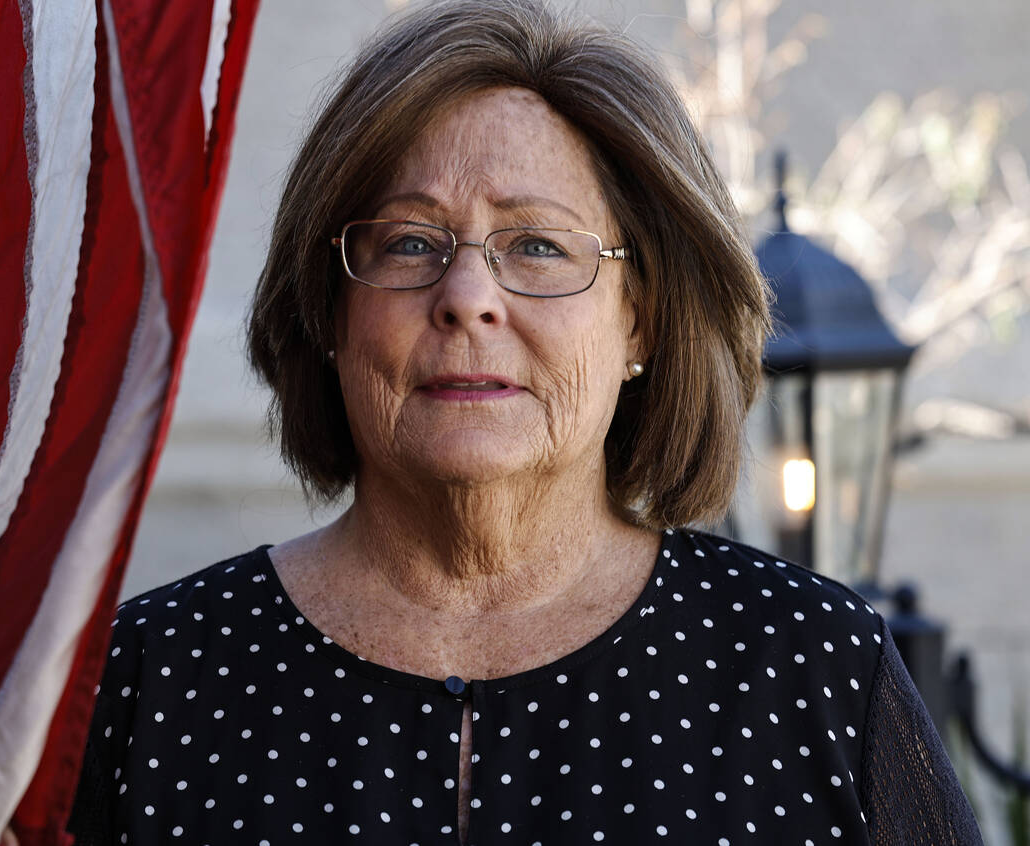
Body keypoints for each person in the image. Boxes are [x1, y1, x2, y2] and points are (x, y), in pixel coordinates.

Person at [66, 1, 982, 843]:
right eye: (411, 241)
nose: (467, 299)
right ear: (330, 313)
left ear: (642, 321)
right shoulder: (154, 679)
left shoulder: (816, 669)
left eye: (538, 245)